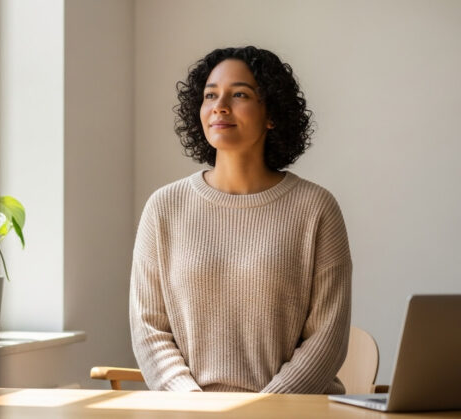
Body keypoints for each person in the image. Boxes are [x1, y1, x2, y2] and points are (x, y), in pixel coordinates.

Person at [129, 46, 352, 394]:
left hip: (290, 411)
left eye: (240, 94)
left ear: (271, 114)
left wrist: (265, 410)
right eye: (210, 95)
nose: (220, 106)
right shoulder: (164, 207)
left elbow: (328, 338)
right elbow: (149, 328)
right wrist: (193, 406)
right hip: (190, 412)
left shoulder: (316, 208)